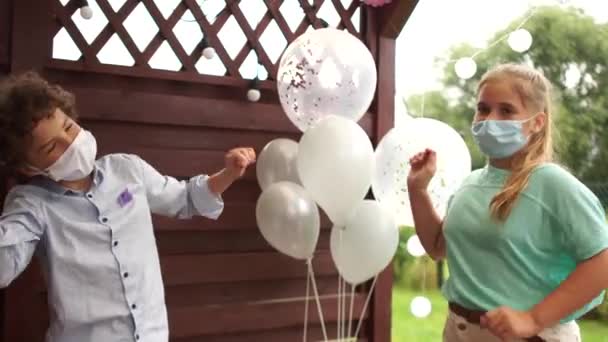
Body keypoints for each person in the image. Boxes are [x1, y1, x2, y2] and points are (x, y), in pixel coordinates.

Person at [0, 71, 256, 342]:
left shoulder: (127, 169)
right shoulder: (32, 204)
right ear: (28, 166)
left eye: (68, 127)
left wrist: (229, 173)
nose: (71, 143)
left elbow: (187, 199)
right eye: (52, 147)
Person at [407, 63, 608, 342]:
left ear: (538, 122)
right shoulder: (470, 183)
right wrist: (418, 190)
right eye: (483, 108)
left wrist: (532, 319)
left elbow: (602, 261)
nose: (490, 119)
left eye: (507, 110)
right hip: (459, 330)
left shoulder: (551, 183)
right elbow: (438, 247)